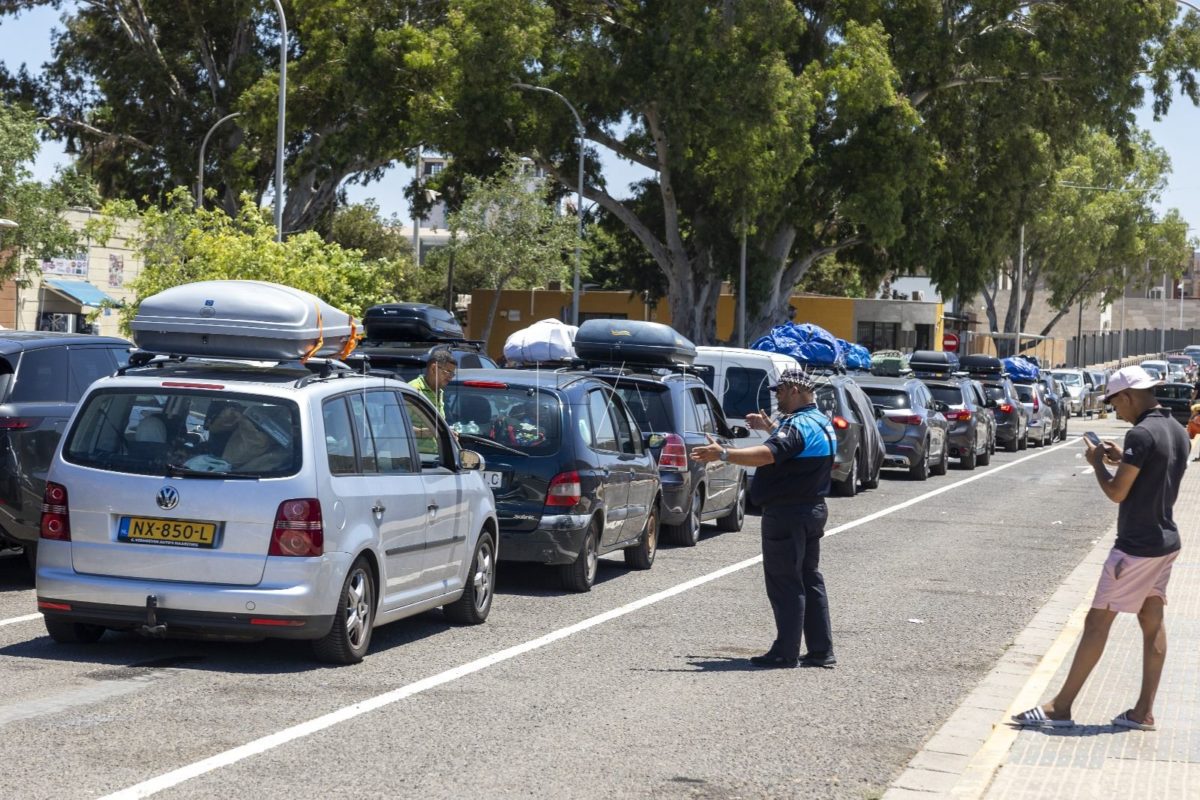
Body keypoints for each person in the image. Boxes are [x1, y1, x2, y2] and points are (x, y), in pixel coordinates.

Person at [1013, 365, 1188, 731]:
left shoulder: (1141, 434)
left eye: (1114, 403)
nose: (1115, 411)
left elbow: (1117, 493)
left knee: (1097, 622)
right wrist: (1120, 457)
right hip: (1166, 542)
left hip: (1135, 548)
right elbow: (1153, 470)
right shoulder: (1176, 430)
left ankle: (1059, 709)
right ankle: (1143, 712)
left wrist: (1097, 465)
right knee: (1151, 621)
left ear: (1127, 396)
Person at [690, 367, 836, 669]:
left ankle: (785, 652)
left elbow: (769, 455)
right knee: (809, 579)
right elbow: (794, 447)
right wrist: (771, 427)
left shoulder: (795, 426)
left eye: (780, 392)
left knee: (785, 582)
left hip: (787, 514)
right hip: (812, 509)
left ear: (795, 391)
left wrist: (724, 454)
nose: (777, 398)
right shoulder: (820, 422)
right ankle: (821, 650)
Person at [409, 348, 456, 417]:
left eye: (452, 374)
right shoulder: (413, 390)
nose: (450, 377)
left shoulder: (440, 392)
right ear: (433, 369)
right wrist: (432, 428)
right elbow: (397, 424)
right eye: (448, 372)